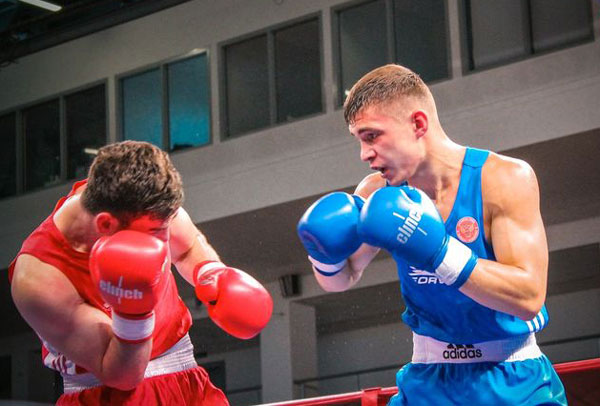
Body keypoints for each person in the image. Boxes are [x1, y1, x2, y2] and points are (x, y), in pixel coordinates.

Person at [297, 64, 566, 405]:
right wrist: (324, 256)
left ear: (418, 124)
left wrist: (439, 252)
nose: (364, 154)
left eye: (372, 136)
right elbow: (341, 278)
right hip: (426, 381)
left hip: (512, 380)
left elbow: (528, 298)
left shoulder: (503, 179)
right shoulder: (376, 192)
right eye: (359, 140)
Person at [9, 140, 273, 405]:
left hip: (187, 381)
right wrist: (134, 312)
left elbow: (187, 247)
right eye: (156, 232)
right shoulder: (38, 279)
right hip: (106, 396)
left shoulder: (144, 200)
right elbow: (122, 376)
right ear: (106, 225)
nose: (163, 241)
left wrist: (210, 272)